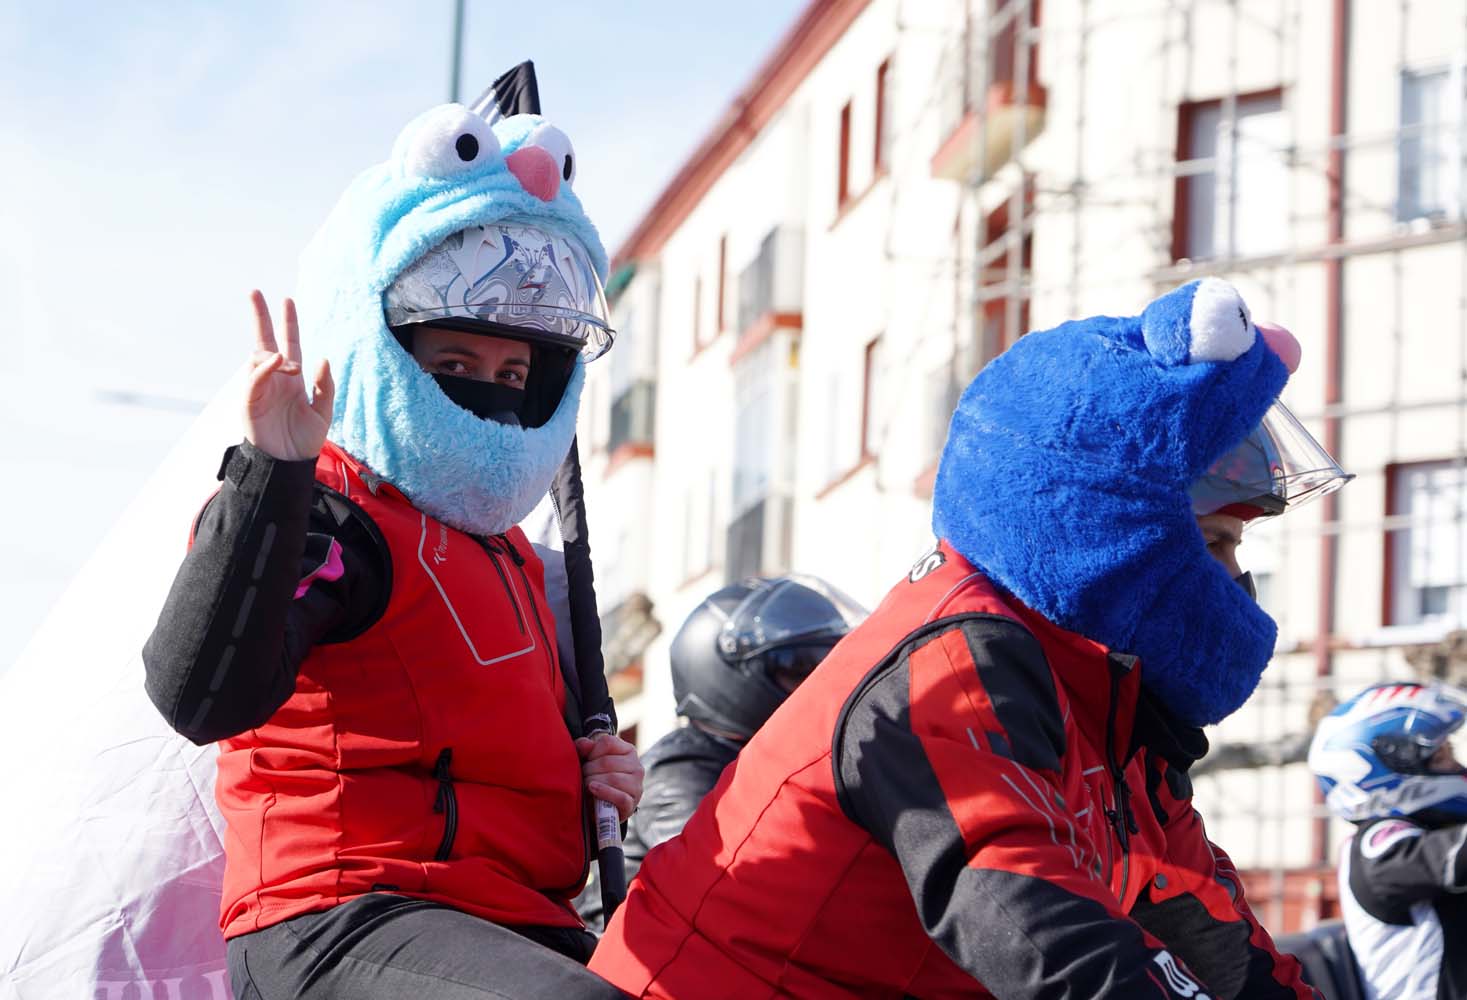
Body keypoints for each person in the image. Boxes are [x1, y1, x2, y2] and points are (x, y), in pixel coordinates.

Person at [590, 278, 1349, 999]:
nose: (1231, 582)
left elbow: (1202, 921)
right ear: (1114, 526)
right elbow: (1032, 925)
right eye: (1213, 544)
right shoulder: (955, 660)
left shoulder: (1114, 708)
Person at [142, 96, 641, 999]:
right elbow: (201, 693)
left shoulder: (518, 561)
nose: (491, 394)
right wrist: (273, 473)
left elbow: (473, 743)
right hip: (344, 914)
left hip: (513, 922)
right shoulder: (335, 511)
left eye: (514, 375)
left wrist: (585, 778)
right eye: (455, 367)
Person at [576, 575, 867, 931]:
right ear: (728, 670)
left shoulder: (777, 764)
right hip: (630, 973)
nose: (815, 686)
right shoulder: (682, 770)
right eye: (799, 667)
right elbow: (746, 881)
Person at [1309, 681, 1467, 999]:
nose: (1456, 767)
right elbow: (1453, 859)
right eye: (1441, 757)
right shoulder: (1375, 848)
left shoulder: (1434, 830)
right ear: (1389, 767)